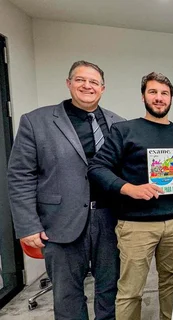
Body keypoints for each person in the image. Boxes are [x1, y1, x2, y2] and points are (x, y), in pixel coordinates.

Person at [7, 60, 124, 319]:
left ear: (103, 88)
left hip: (110, 219)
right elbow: (20, 176)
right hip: (60, 222)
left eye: (94, 82)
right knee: (67, 295)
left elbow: (129, 170)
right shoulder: (37, 121)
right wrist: (27, 225)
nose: (87, 86)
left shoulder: (119, 123)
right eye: (80, 80)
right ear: (69, 83)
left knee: (111, 289)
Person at [88, 72, 173, 319]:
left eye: (164, 93)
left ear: (171, 98)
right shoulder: (124, 130)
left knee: (172, 282)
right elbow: (96, 168)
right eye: (153, 92)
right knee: (131, 291)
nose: (159, 98)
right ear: (143, 96)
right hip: (136, 225)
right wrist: (129, 189)